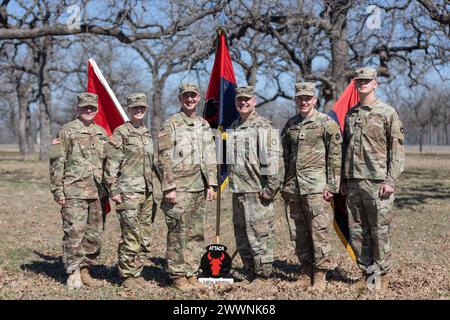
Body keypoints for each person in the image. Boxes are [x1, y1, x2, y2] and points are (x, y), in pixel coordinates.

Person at [341, 67, 405, 290]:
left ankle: (382, 277)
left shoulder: (387, 113)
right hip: (354, 181)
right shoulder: (351, 114)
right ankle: (366, 275)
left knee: (379, 231)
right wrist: (343, 179)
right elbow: (346, 148)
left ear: (375, 83)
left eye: (367, 81)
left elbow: (395, 151)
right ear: (355, 84)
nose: (363, 84)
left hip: (378, 182)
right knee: (358, 232)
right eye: (359, 81)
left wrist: (390, 180)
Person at [281, 82, 342, 290]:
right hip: (293, 187)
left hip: (317, 187)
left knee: (319, 230)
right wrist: (283, 185)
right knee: (298, 232)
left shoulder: (327, 123)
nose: (304, 101)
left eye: (308, 97)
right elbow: (284, 157)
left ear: (315, 99)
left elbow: (335, 156)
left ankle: (321, 274)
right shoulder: (290, 125)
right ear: (296, 100)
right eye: (300, 98)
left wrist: (332, 184)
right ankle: (306, 271)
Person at [158, 83, 217, 291]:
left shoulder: (203, 125)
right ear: (180, 98)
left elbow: (210, 156)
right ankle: (178, 275)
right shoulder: (171, 124)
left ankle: (192, 272)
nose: (190, 99)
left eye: (193, 96)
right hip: (179, 189)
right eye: (186, 96)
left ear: (199, 98)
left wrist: (212, 184)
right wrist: (169, 187)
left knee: (196, 234)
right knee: (177, 234)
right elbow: (163, 158)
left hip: (199, 188)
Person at [49, 92, 109, 289]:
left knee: (95, 234)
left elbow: (108, 163)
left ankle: (85, 270)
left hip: (97, 192)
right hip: (73, 191)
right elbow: (57, 162)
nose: (89, 110)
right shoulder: (66, 131)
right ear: (78, 109)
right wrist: (57, 190)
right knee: (74, 232)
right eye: (85, 108)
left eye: (92, 107)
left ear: (97, 109)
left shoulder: (101, 133)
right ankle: (73, 271)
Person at [227, 86, 283, 285]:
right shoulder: (233, 127)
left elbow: (275, 160)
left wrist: (270, 189)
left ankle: (263, 276)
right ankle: (250, 272)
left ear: (254, 101)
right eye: (240, 100)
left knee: (259, 236)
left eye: (247, 100)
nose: (243, 103)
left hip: (257, 191)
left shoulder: (263, 126)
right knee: (242, 236)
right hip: (238, 190)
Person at [104, 93, 157, 290]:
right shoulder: (121, 133)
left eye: (142, 107)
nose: (139, 110)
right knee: (131, 234)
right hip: (128, 192)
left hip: (147, 192)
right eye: (135, 107)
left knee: (145, 236)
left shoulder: (146, 133)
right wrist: (114, 189)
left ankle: (137, 272)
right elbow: (111, 165)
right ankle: (126, 275)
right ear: (129, 109)